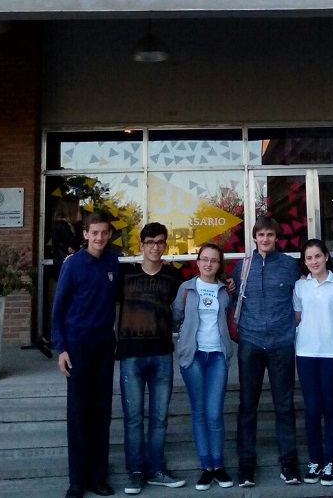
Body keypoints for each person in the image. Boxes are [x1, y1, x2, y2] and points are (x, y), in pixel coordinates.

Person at [51, 212, 121, 498]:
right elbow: (58, 309)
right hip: (78, 346)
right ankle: (77, 480)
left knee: (102, 411)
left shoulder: (113, 262)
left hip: (104, 346)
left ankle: (98, 476)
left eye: (104, 232)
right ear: (85, 234)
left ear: (109, 234)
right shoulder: (73, 264)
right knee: (79, 412)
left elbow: (120, 298)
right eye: (95, 233)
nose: (99, 237)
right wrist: (61, 348)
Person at [232, 216, 301, 488]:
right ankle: (246, 465)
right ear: (254, 237)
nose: (265, 239)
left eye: (270, 234)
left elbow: (302, 297)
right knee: (247, 406)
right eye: (261, 234)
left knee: (284, 405)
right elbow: (233, 296)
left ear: (276, 237)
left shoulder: (289, 265)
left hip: (281, 343)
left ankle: (289, 462)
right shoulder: (242, 267)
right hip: (250, 342)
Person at [117, 223, 186, 495]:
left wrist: (227, 282)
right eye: (150, 242)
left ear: (165, 245)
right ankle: (135, 471)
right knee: (133, 417)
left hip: (161, 354)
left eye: (160, 242)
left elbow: (197, 287)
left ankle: (157, 469)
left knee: (159, 417)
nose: (155, 247)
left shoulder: (173, 276)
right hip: (131, 355)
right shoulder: (125, 274)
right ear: (141, 245)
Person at [172, 242, 234, 491]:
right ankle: (206, 467)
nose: (208, 264)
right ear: (197, 262)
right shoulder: (186, 288)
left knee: (214, 412)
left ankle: (218, 465)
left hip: (217, 354)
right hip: (194, 356)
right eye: (204, 259)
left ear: (219, 264)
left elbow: (228, 316)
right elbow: (176, 316)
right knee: (199, 411)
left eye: (214, 260)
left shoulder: (225, 290)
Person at [293, 238, 333, 487]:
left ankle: (330, 462)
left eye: (317, 256)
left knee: (330, 407)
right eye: (309, 258)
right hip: (305, 353)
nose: (314, 261)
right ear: (304, 262)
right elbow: (297, 317)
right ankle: (315, 460)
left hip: (332, 354)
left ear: (326, 256)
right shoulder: (299, 286)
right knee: (312, 408)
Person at [52, 197, 83, 278]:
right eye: (78, 209)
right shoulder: (60, 227)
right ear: (71, 210)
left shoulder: (74, 226)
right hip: (65, 269)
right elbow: (68, 248)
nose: (80, 212)